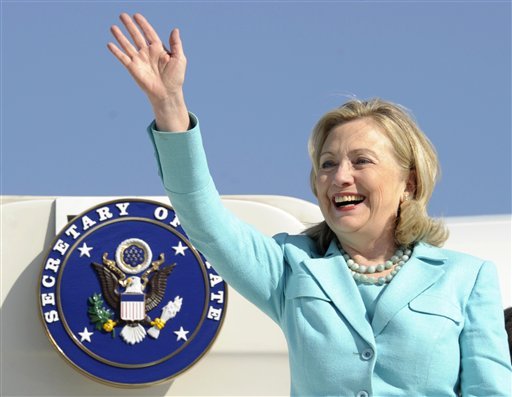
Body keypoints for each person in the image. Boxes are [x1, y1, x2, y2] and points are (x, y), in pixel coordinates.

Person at [108, 13, 512, 396]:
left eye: (362, 161)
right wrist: (169, 105)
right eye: (328, 164)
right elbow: (204, 218)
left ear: (409, 182)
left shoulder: (467, 278)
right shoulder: (290, 267)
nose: (340, 177)